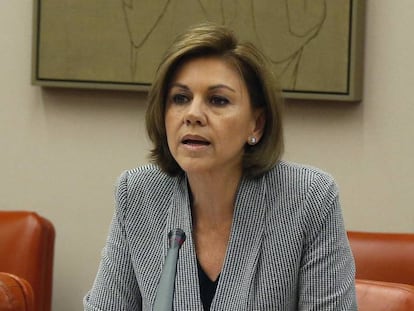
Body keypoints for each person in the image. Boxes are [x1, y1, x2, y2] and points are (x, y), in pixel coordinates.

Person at [84, 23, 357, 310]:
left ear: (257, 124)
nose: (193, 114)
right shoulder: (138, 194)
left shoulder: (309, 198)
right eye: (180, 98)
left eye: (218, 100)